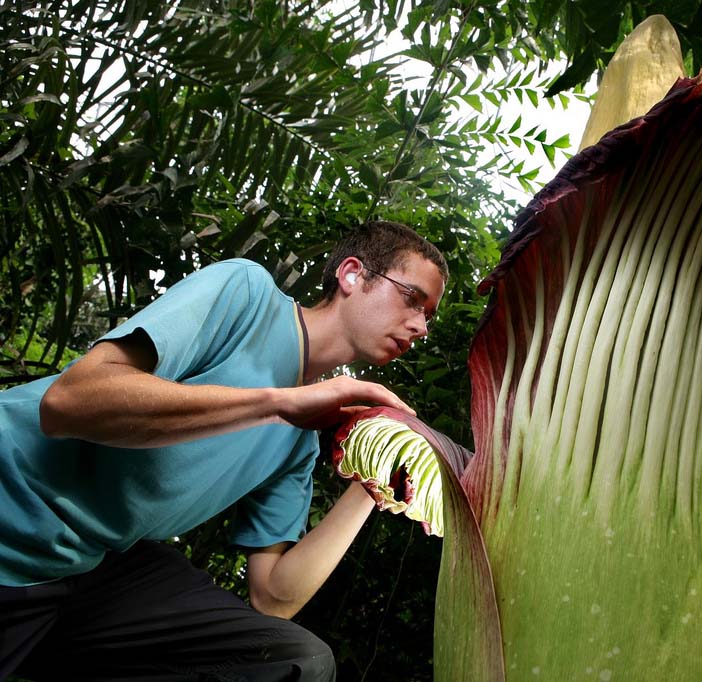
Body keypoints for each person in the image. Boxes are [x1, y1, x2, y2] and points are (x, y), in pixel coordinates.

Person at [0, 220, 448, 681]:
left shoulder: (299, 437)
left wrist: (374, 486)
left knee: (296, 663)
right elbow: (69, 404)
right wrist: (278, 403)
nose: (419, 326)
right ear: (353, 275)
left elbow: (273, 597)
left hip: (84, 568)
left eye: (428, 317)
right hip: (9, 507)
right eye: (412, 298)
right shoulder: (246, 294)